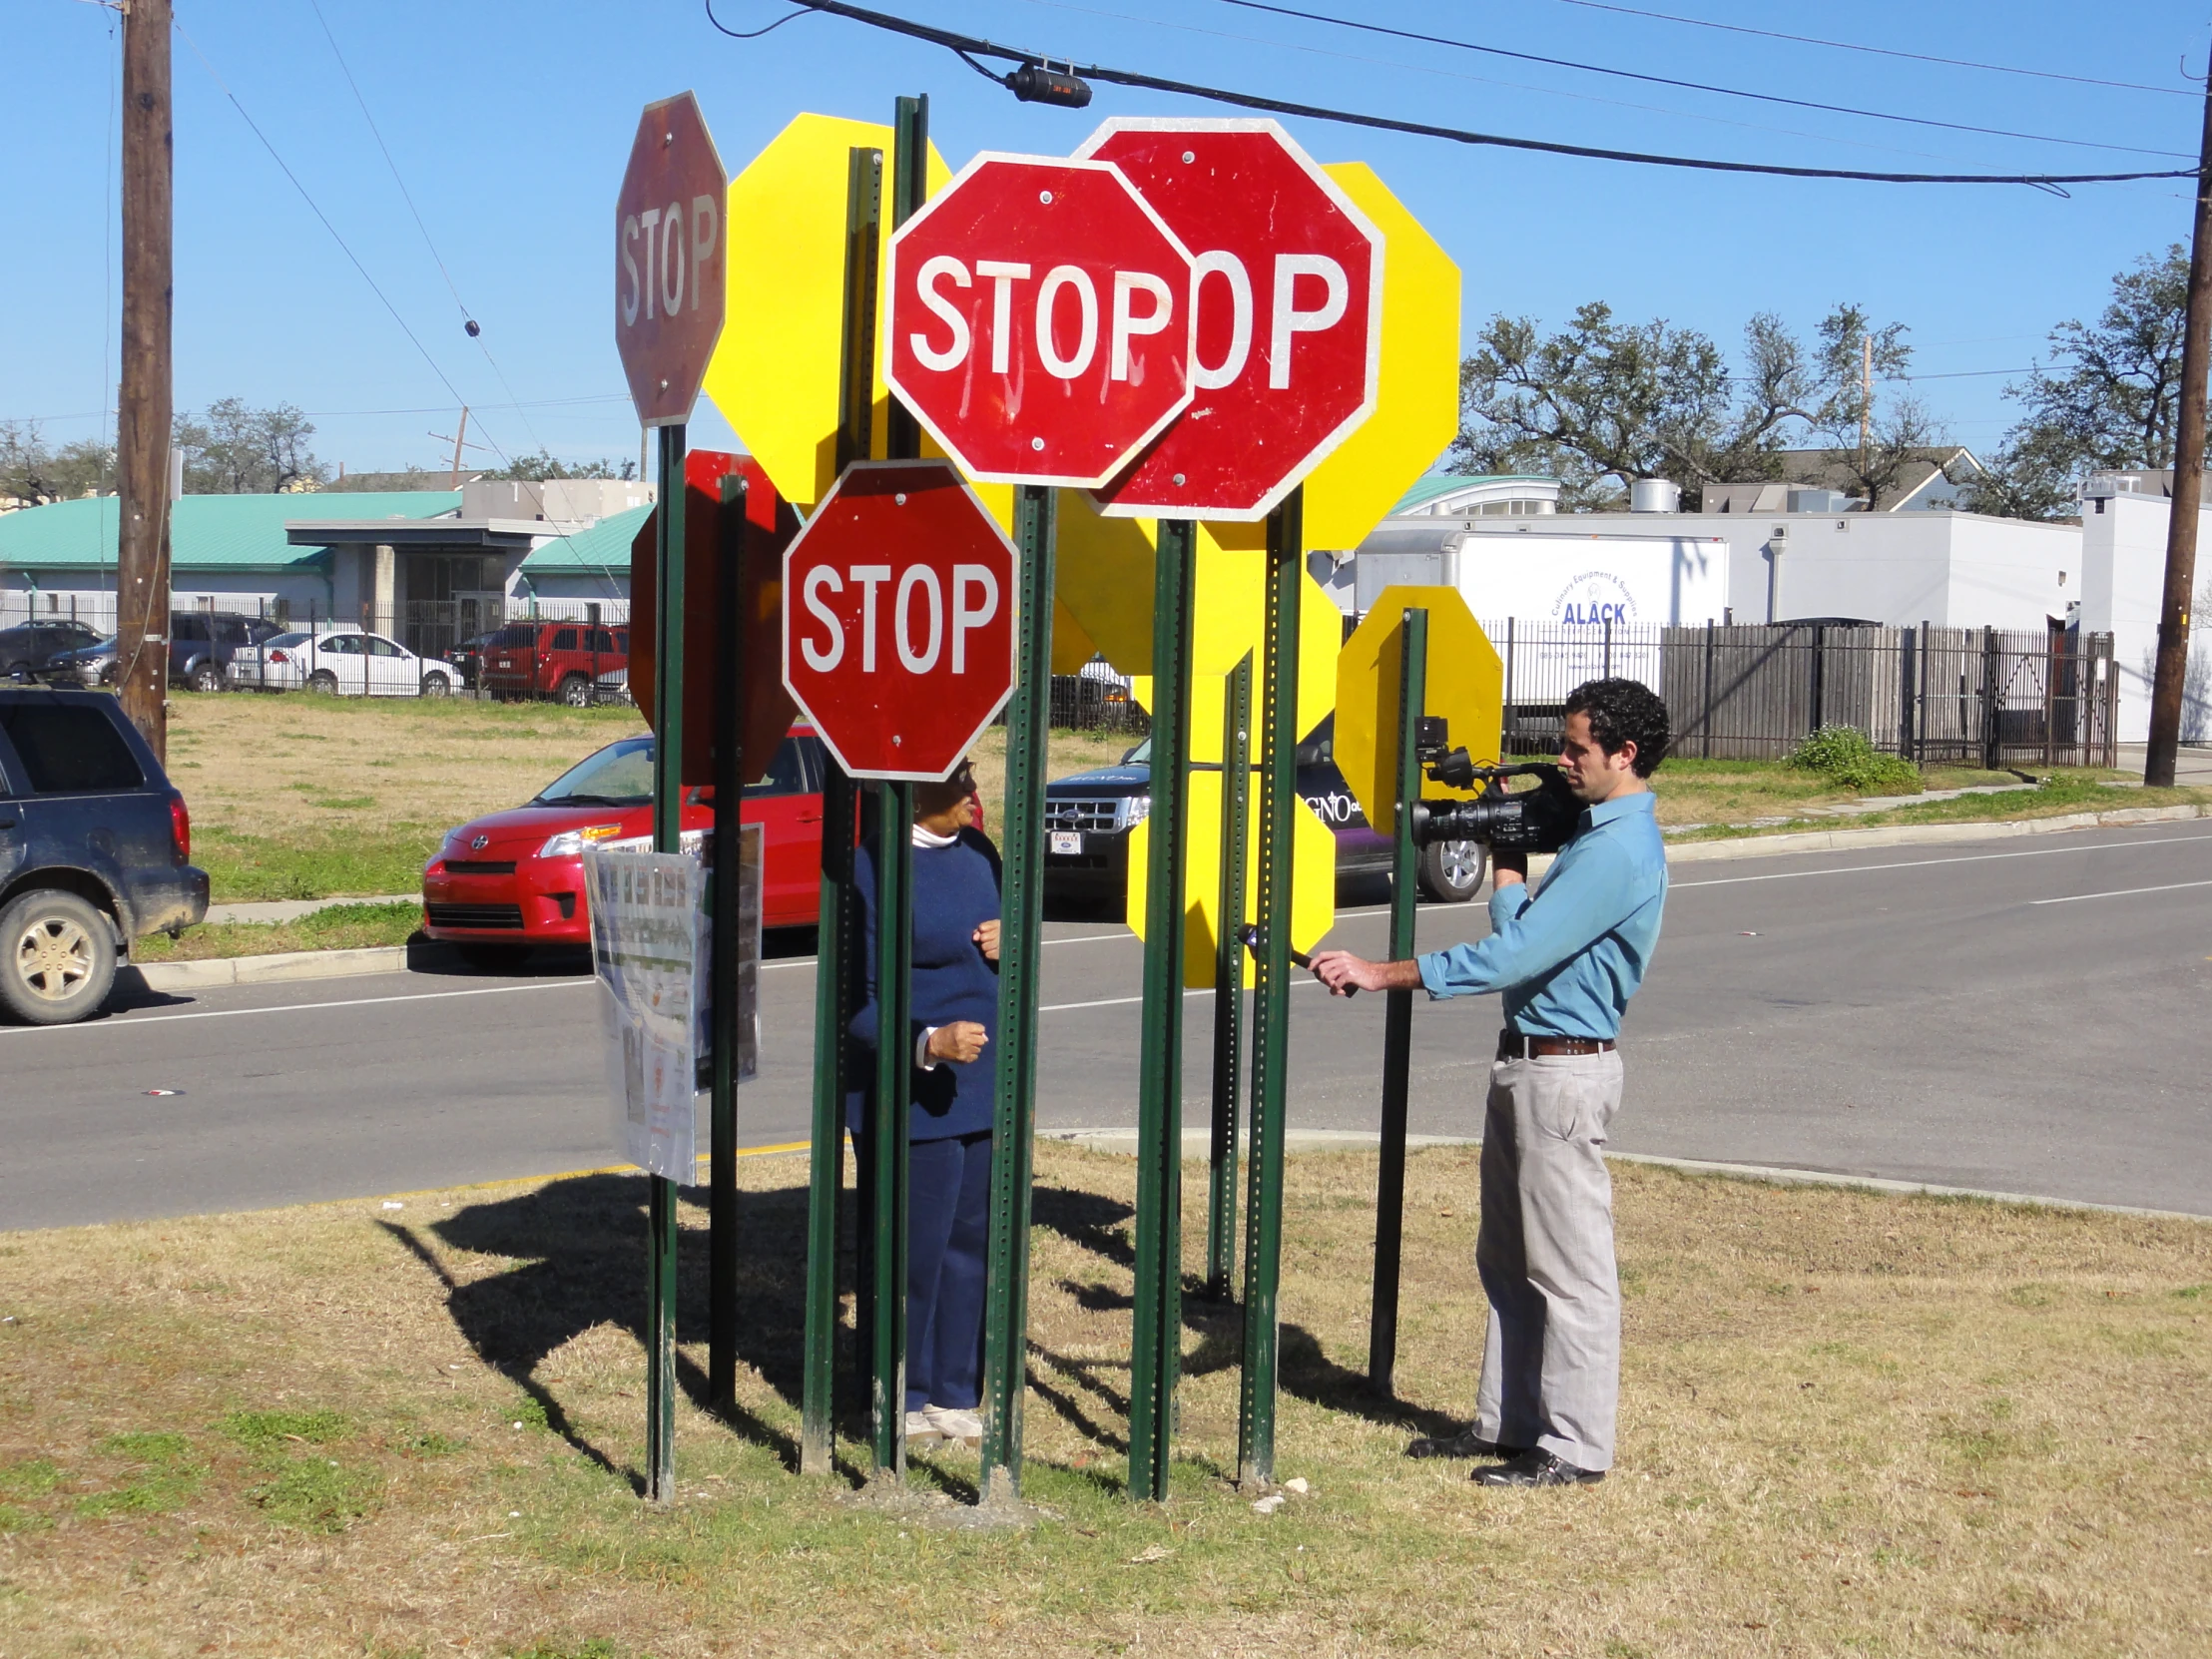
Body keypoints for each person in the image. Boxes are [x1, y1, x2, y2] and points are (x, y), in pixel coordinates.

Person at [1309, 678, 1671, 1488]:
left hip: (1565, 1073)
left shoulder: (1616, 848)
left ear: (1625, 754)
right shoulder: (1591, 837)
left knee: (1570, 1271)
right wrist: (1507, 853)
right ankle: (1510, 1426)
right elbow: (1531, 935)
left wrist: (1380, 972)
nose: (1565, 762)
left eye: (1579, 749)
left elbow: (1509, 959)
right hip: (1529, 1061)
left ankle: (1574, 1451)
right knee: (1508, 1260)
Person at [849, 759, 1002, 1450]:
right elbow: (855, 1004)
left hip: (980, 1090)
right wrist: (928, 1043)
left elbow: (1011, 962)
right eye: (961, 778)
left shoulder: (983, 855)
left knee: (971, 1245)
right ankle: (901, 1391)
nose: (976, 792)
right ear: (915, 790)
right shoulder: (872, 867)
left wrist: (1015, 939)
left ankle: (954, 1391)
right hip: (912, 1093)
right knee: (916, 1248)